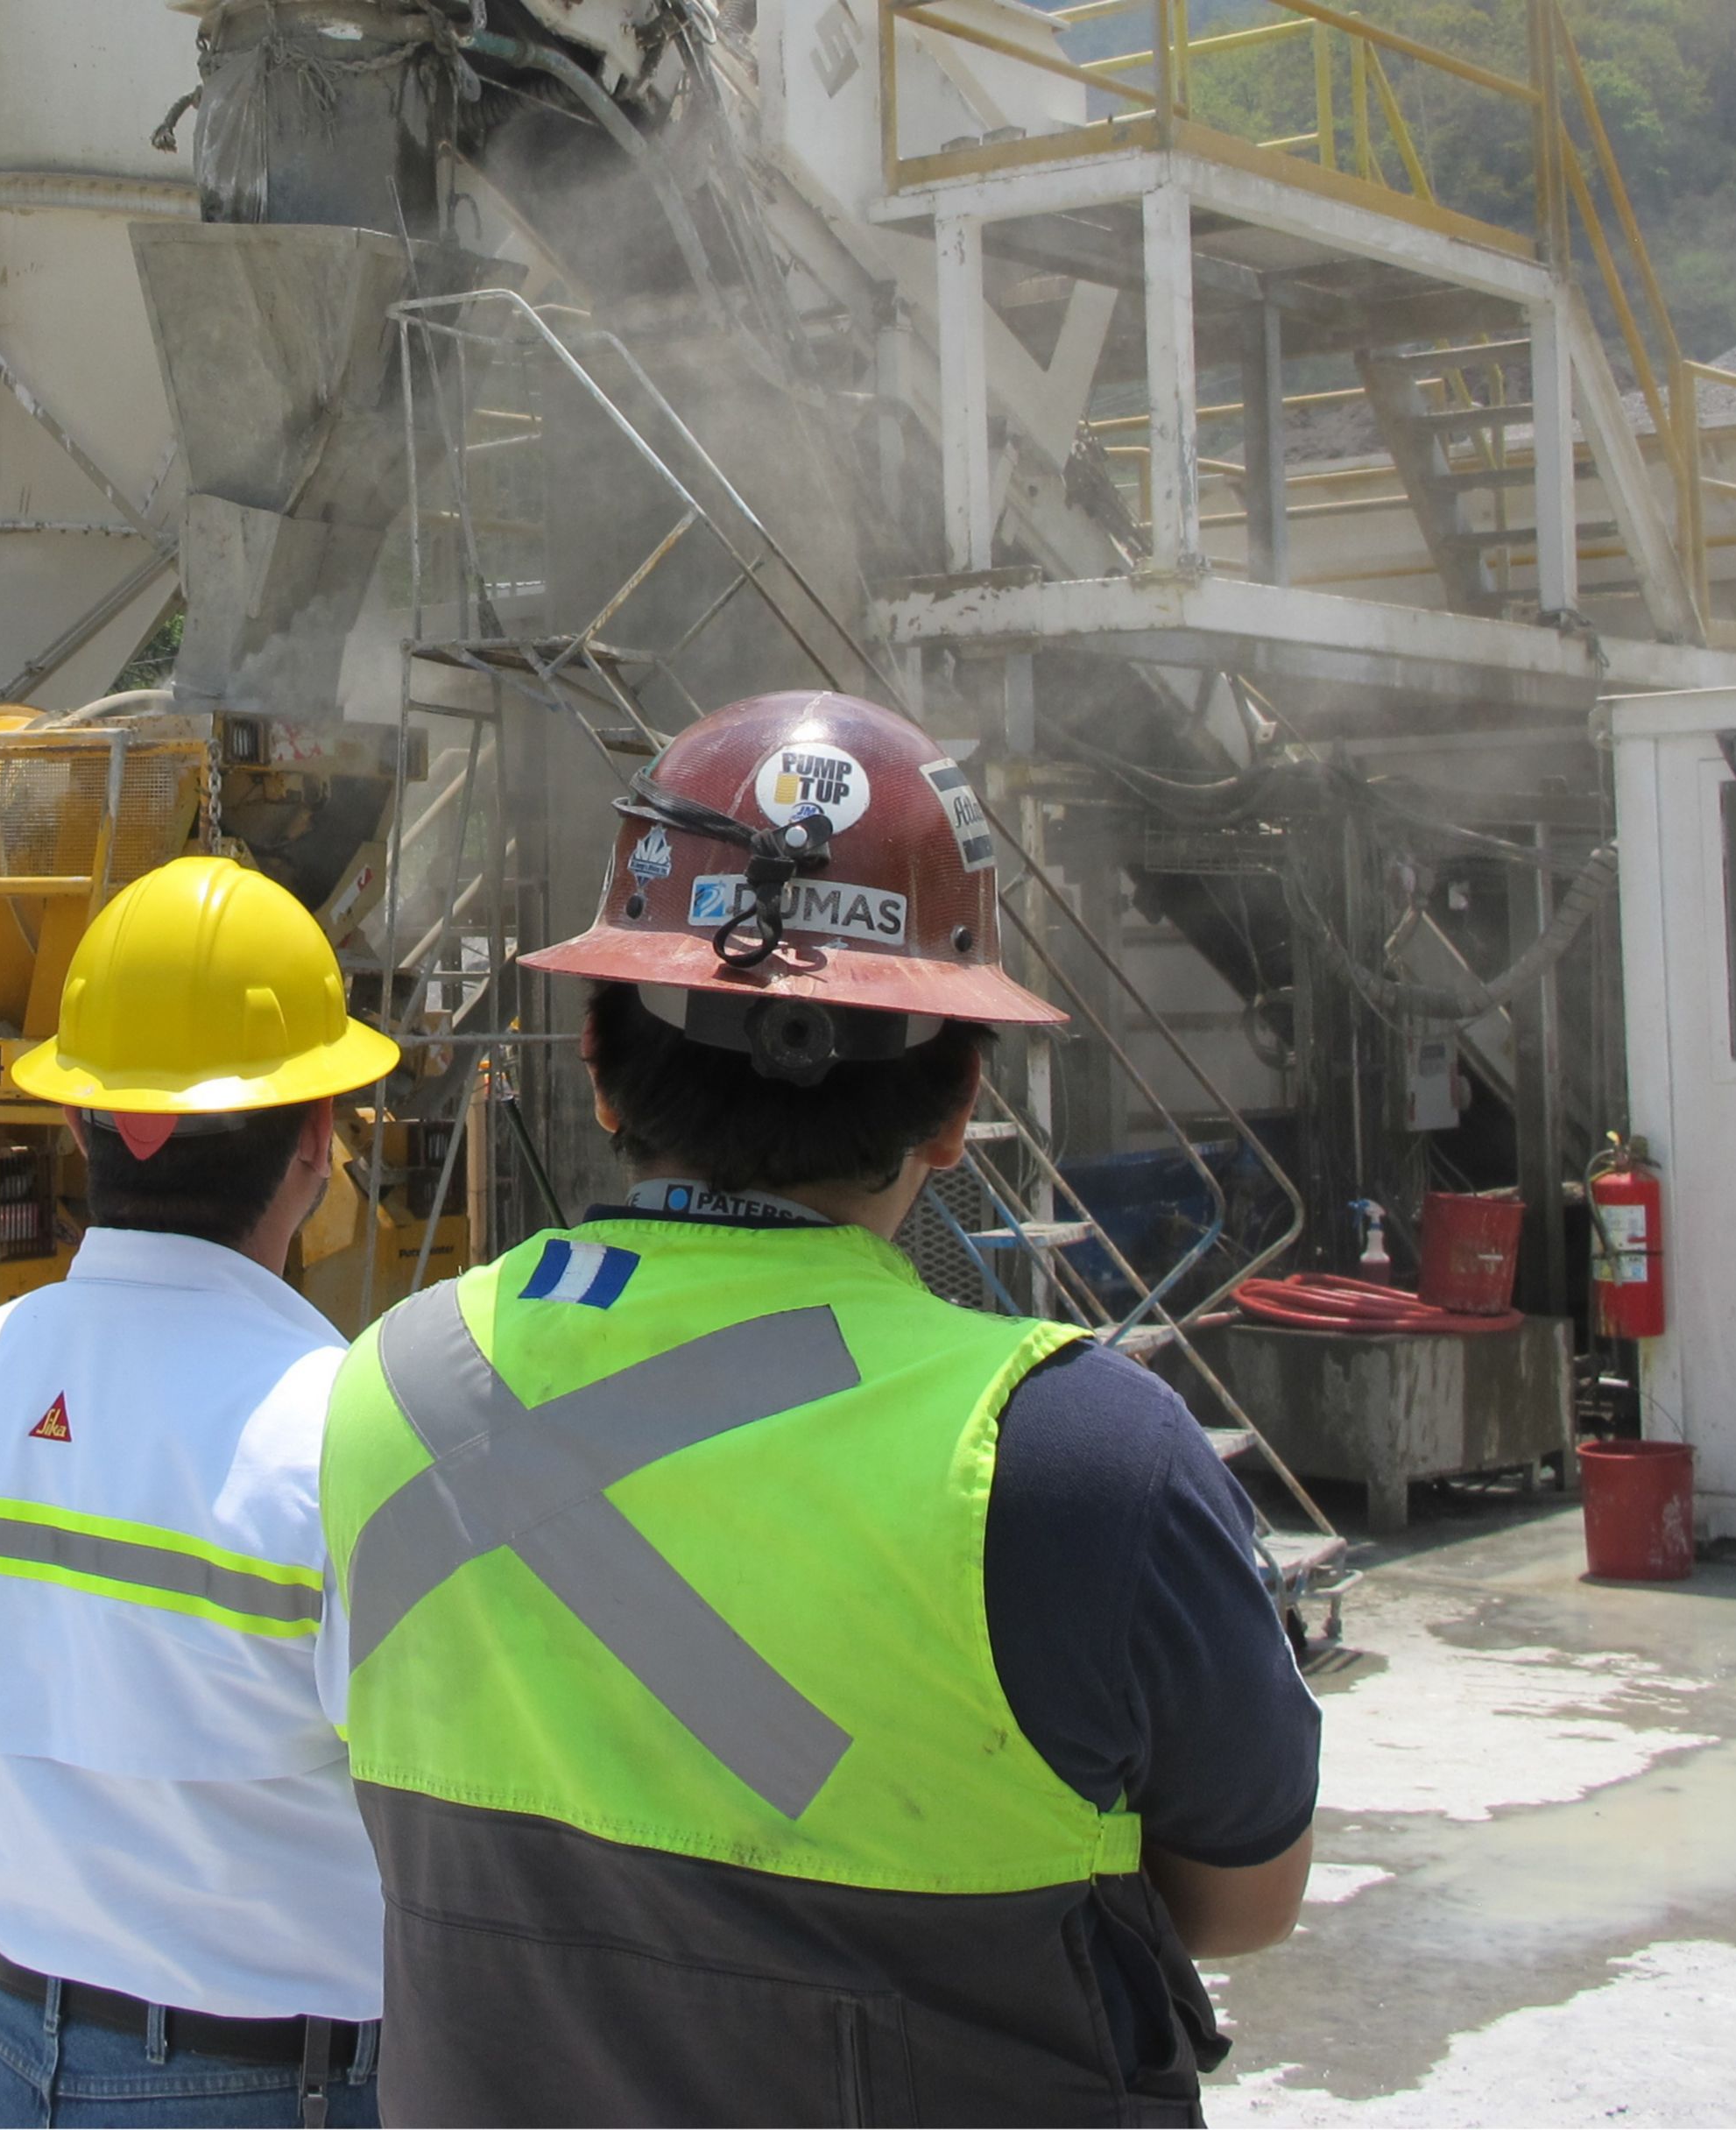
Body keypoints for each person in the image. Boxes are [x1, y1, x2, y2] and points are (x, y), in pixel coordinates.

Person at [318, 693, 1322, 2126]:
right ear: (958, 1093)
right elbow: (1242, 1900)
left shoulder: (394, 1387)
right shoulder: (1081, 1463)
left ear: (600, 1064)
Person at [0, 854, 400, 2129]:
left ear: (78, 1121)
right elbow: (442, 1825)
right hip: (278, 2082)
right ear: (317, 1140)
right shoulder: (347, 1439)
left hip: (12, 2052)